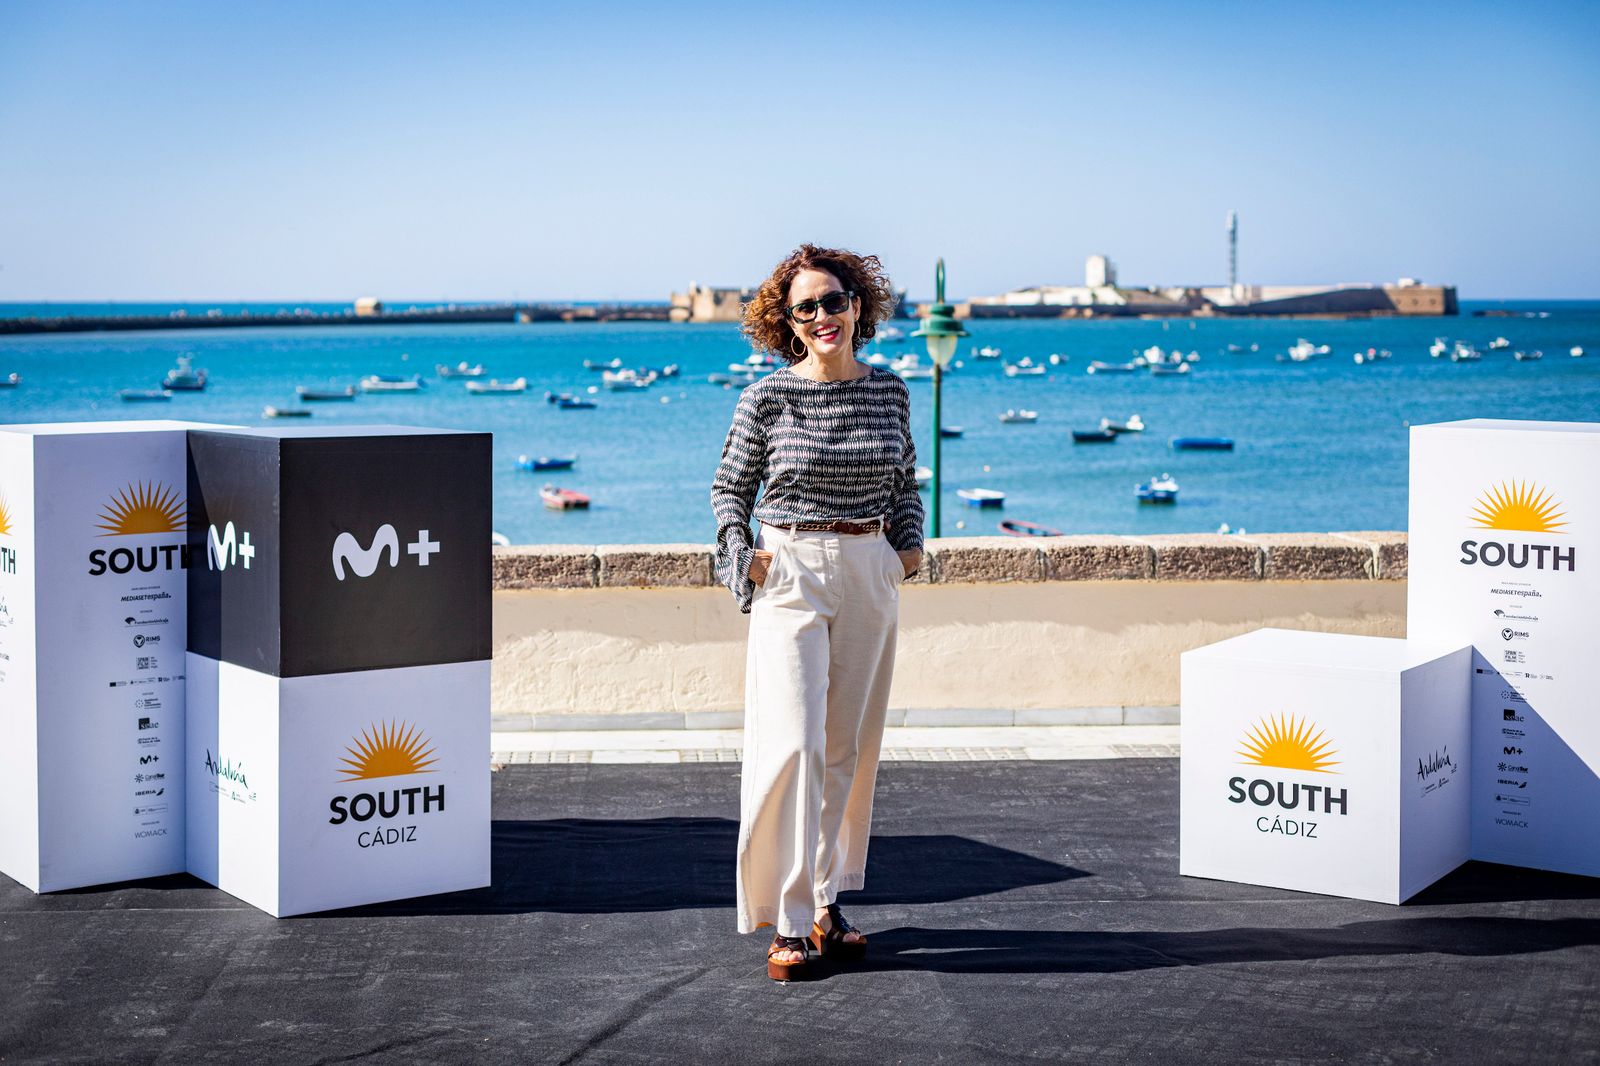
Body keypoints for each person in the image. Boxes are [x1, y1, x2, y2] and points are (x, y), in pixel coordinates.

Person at [711, 243, 925, 981]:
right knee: (794, 745)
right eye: (806, 307)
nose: (823, 316)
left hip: (869, 569)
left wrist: (908, 550)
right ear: (788, 321)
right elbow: (729, 489)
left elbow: (904, 482)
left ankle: (829, 903)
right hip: (791, 568)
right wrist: (742, 560)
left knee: (846, 750)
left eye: (835, 300)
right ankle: (792, 921)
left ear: (859, 306)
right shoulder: (767, 397)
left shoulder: (891, 392)